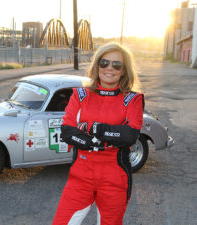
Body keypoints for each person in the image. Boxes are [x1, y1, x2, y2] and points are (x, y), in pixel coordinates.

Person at [52, 42, 144, 225]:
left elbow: (130, 135)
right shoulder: (80, 95)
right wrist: (99, 142)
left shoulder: (132, 99)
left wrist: (94, 128)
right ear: (97, 66)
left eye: (116, 64)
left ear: (124, 70)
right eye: (104, 63)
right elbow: (67, 132)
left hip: (115, 179)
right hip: (80, 178)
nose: (109, 68)